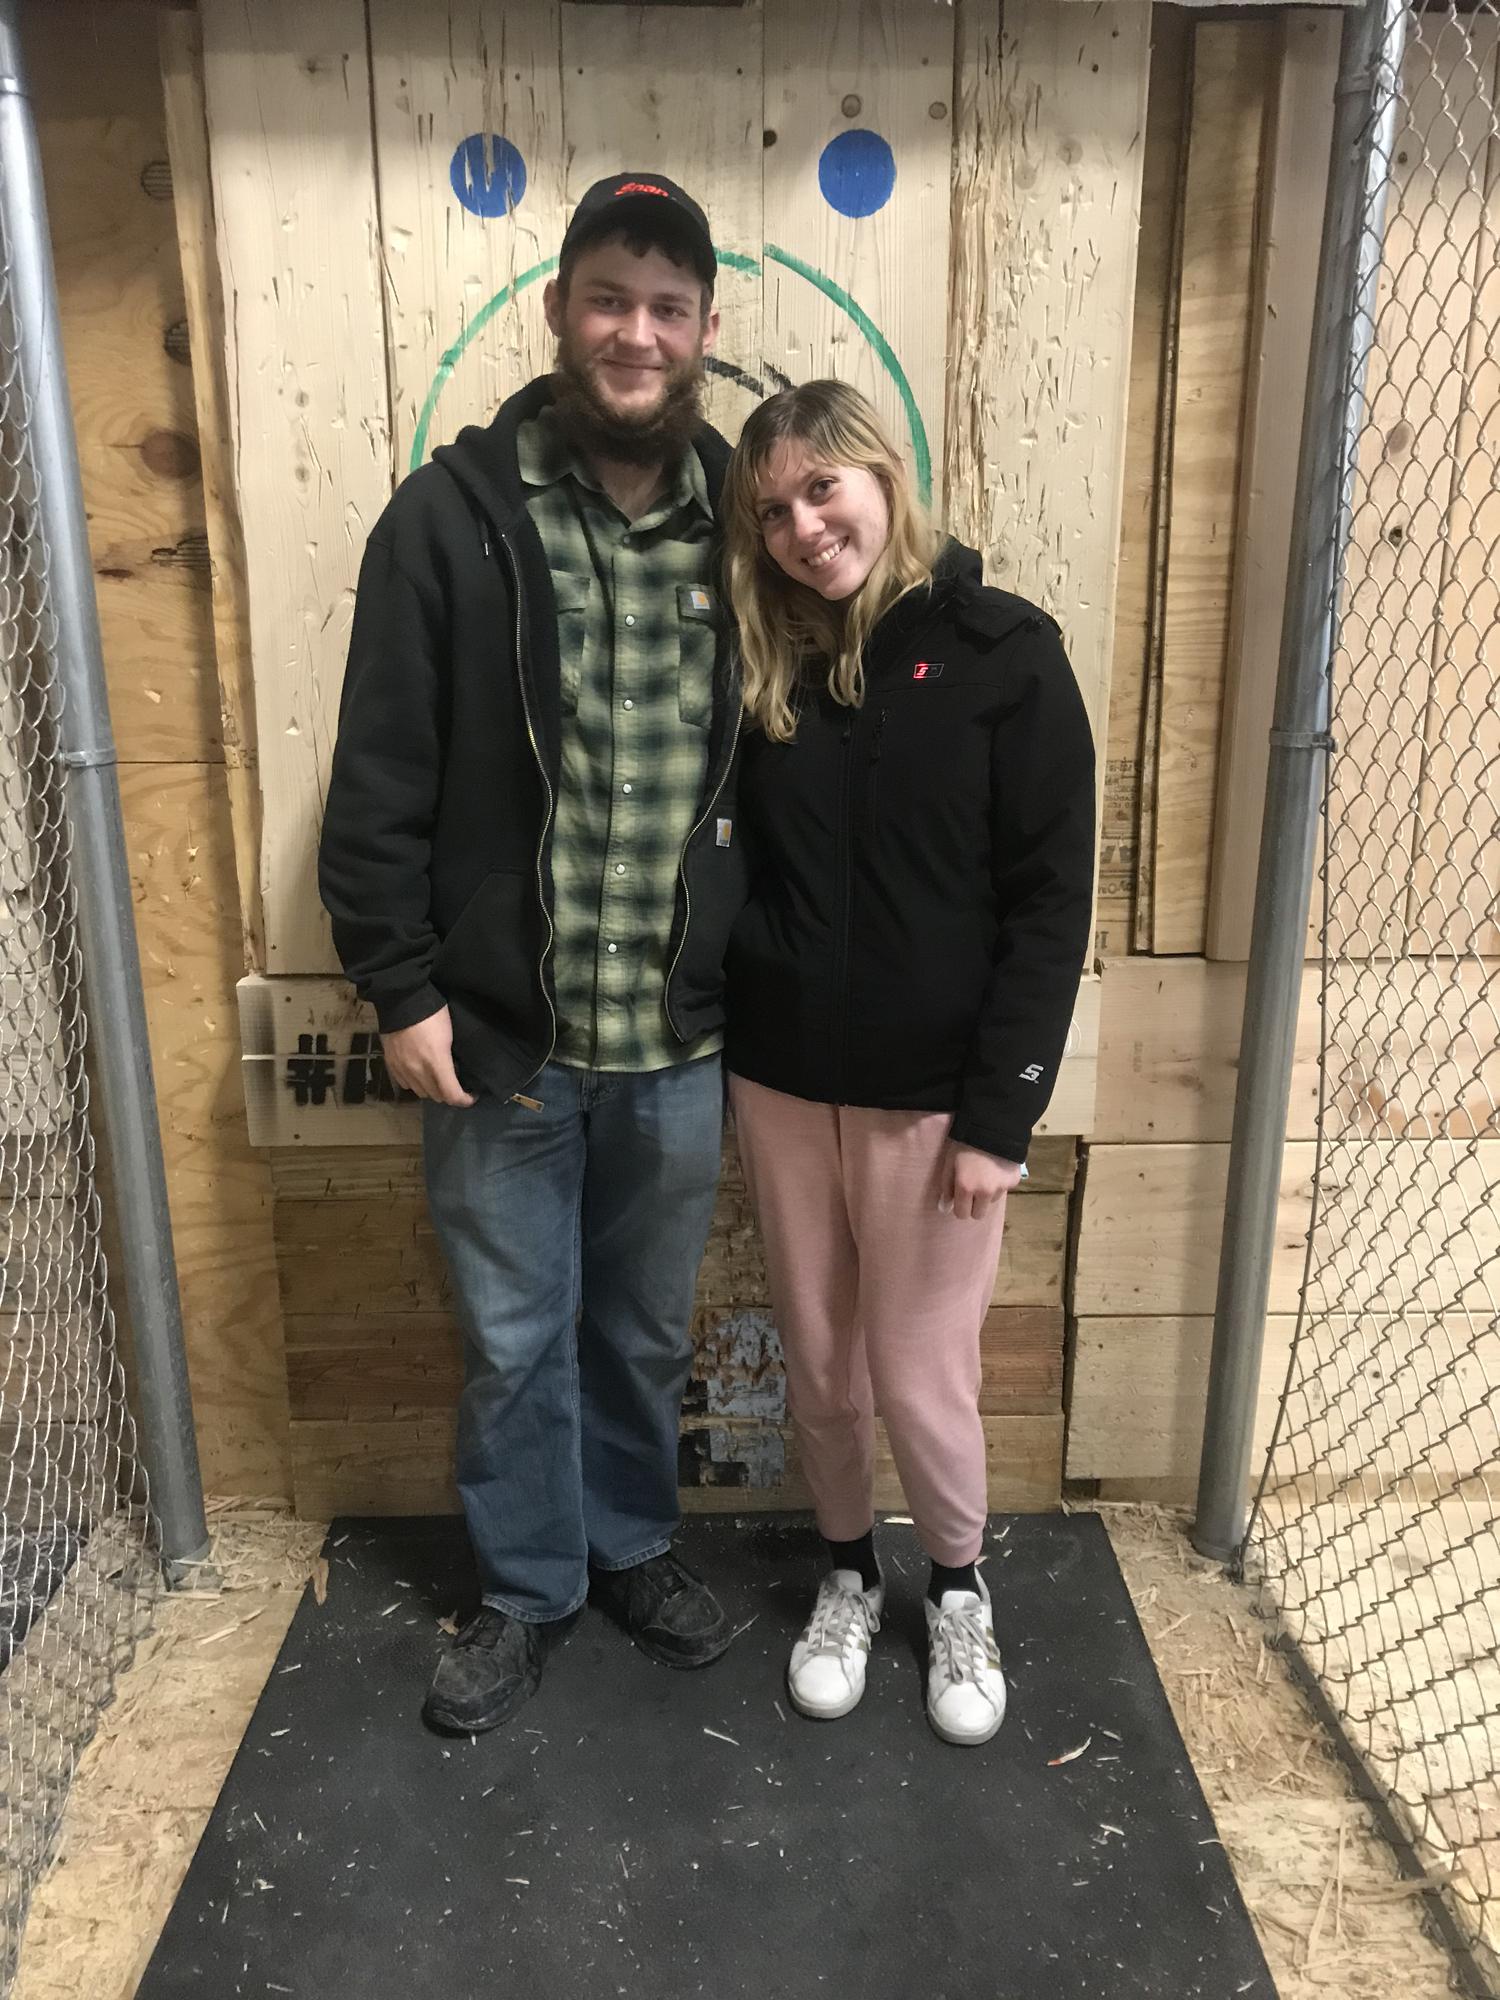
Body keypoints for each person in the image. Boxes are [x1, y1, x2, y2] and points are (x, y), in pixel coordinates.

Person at [319, 173, 747, 1736]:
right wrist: (401, 982)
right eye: (610, 297)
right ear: (560, 311)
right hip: (501, 1039)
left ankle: (633, 1545)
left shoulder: (747, 526)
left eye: (669, 307)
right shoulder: (449, 520)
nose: (637, 332)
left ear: (704, 332)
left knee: (637, 1328)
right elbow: (376, 777)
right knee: (512, 1340)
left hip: (680, 1039)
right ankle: (521, 1586)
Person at [721, 380, 1094, 1746]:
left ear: (883, 476)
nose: (805, 527)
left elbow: (1053, 905)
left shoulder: (1007, 656)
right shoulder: (771, 667)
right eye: (774, 510)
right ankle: (843, 1576)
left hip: (935, 1107)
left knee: (919, 1368)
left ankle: (955, 1586)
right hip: (778, 1082)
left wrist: (1001, 1116)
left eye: (824, 490)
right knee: (818, 1362)